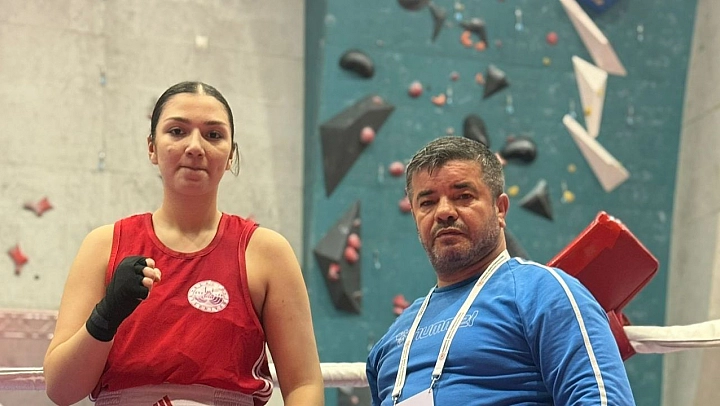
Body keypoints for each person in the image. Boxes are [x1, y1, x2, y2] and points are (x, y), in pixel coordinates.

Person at [43, 81, 324, 406]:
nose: (195, 147)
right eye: (177, 131)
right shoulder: (103, 246)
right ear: (152, 147)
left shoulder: (267, 253)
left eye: (213, 135)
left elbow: (303, 383)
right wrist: (107, 315)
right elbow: (61, 389)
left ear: (231, 155)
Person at [366, 136, 635, 405]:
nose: (444, 211)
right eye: (427, 202)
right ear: (415, 216)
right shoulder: (392, 339)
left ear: (500, 209)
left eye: (463, 197)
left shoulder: (544, 292)